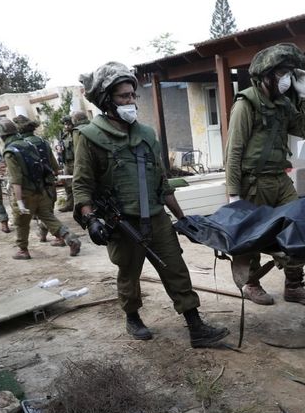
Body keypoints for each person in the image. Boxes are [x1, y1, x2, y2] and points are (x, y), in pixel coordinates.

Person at [73, 61, 228, 348]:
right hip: (122, 222)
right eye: (123, 96)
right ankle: (132, 317)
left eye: (133, 95)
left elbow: (161, 181)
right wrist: (91, 218)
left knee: (175, 268)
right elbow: (82, 183)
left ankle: (196, 327)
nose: (131, 101)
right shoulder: (90, 137)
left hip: (156, 217)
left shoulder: (146, 134)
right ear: (107, 100)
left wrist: (181, 217)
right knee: (129, 273)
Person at [223, 42, 305, 307]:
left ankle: (294, 284)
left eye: (291, 73)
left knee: (298, 226)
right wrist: (233, 194)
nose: (288, 79)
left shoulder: (284, 105)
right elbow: (233, 151)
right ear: (265, 75)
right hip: (253, 183)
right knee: (253, 236)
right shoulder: (246, 104)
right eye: (283, 73)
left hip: (279, 178)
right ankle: (252, 283)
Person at [0, 117, 81, 259]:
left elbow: (16, 180)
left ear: (1, 136)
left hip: (25, 194)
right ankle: (70, 238)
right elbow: (50, 167)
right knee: (48, 217)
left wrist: (20, 202)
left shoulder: (10, 151)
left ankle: (23, 250)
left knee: (22, 223)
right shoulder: (30, 144)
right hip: (41, 190)